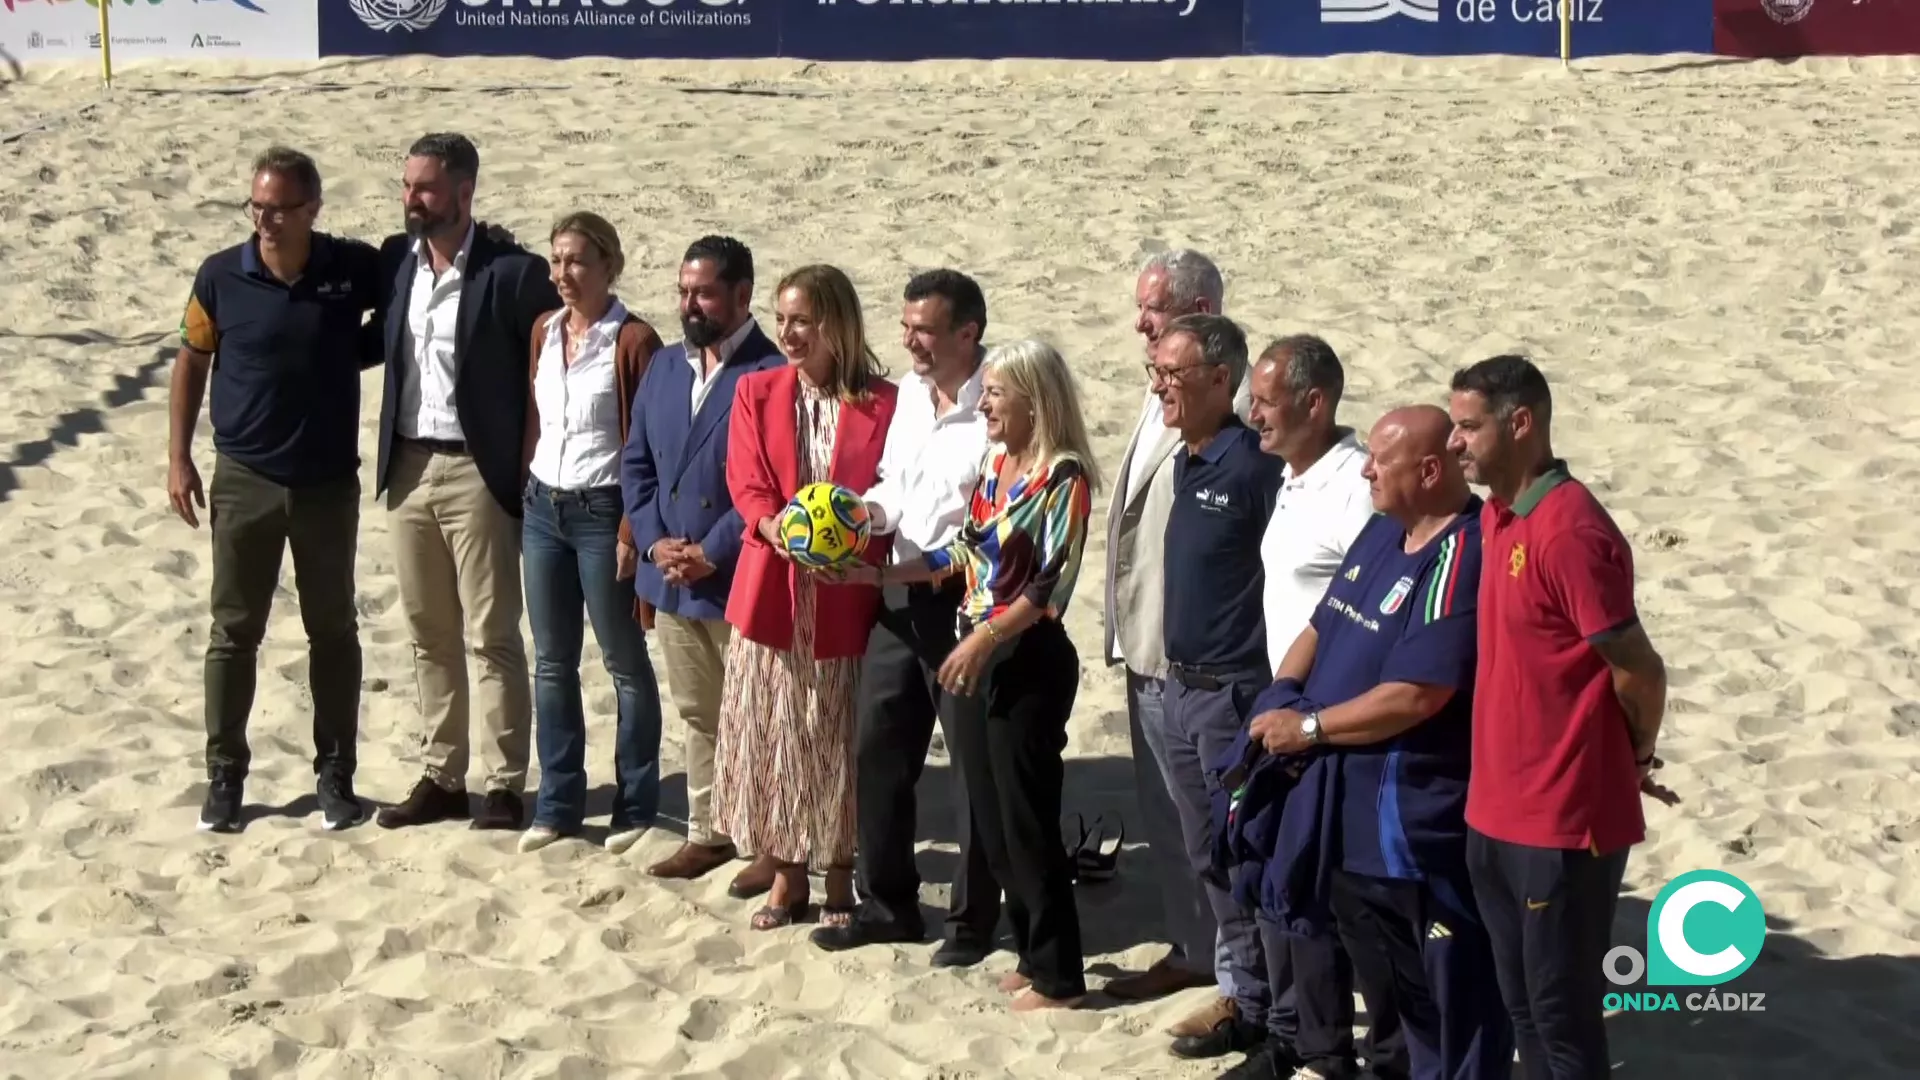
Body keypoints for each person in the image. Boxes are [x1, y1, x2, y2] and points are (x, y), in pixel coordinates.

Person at [1246, 406, 1511, 1080]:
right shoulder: (1379, 531)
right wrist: (1283, 690)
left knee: (1454, 1002)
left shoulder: (1462, 551)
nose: (1363, 467)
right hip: (1345, 816)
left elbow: (1419, 693)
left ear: (1428, 471)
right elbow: (1320, 622)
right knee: (1392, 993)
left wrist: (1308, 727)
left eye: (1379, 461)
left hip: (1412, 824)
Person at [846, 339, 1099, 1013]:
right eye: (984, 392)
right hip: (982, 647)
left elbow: (1047, 585)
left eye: (995, 394)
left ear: (1033, 401)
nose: (982, 404)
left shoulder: (1064, 477)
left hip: (1027, 657)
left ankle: (1061, 977)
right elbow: (965, 552)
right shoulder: (997, 465)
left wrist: (981, 641)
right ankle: (1029, 950)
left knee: (1028, 818)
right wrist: (877, 573)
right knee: (992, 816)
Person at [1447, 356, 1671, 1080]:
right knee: (1525, 1018)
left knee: (1564, 1022)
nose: (1456, 443)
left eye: (1468, 427)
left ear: (1522, 424)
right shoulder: (1497, 513)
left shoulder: (1572, 531)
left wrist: (1631, 755)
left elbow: (1639, 669)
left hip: (1563, 823)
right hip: (1494, 813)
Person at [167, 146, 382, 833]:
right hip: (243, 480)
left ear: (312, 210)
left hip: (325, 486)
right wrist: (178, 458)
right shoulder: (221, 277)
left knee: (334, 631)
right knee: (234, 633)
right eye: (256, 206)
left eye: (278, 208)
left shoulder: (348, 269)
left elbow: (408, 300)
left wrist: (351, 351)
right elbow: (191, 360)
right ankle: (225, 776)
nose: (264, 220)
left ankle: (335, 775)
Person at [808, 269, 1003, 965]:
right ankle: (888, 905)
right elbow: (894, 484)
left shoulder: (1000, 406)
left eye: (923, 330)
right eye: (907, 326)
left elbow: (984, 536)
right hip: (896, 599)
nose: (909, 341)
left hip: (965, 607)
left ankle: (974, 922)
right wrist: (858, 514)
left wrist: (882, 569)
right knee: (877, 751)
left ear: (966, 333)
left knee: (976, 769)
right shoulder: (913, 398)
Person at [369, 132, 561, 832]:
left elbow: (553, 365)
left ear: (463, 193)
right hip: (408, 466)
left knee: (491, 633)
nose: (410, 199)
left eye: (423, 187)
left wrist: (528, 459)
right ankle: (442, 775)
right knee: (427, 631)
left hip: (478, 470)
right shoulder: (397, 264)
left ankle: (505, 783)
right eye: (407, 185)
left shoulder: (511, 273)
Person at [716, 264, 898, 931]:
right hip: (774, 589)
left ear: (836, 326)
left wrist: (848, 540)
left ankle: (842, 877)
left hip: (846, 592)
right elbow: (748, 482)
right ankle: (789, 876)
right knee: (779, 739)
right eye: (783, 318)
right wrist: (780, 530)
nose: (788, 333)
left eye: (803, 321)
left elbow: (890, 487)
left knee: (839, 737)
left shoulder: (884, 402)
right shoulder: (757, 391)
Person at [1104, 249, 1252, 1036]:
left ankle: (1235, 978)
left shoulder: (1231, 409)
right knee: (1167, 814)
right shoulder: (1159, 389)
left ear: (1198, 311)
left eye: (1153, 311)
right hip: (1147, 641)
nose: (1139, 324)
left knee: (1212, 827)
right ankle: (1195, 949)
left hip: (1199, 656)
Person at [619, 236, 786, 890]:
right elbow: (637, 464)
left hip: (736, 573)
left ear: (742, 296)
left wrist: (710, 552)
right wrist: (657, 541)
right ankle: (708, 832)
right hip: (672, 575)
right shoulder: (664, 365)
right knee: (697, 712)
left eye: (704, 292)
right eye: (684, 291)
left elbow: (768, 484)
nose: (690, 304)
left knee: (757, 715)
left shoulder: (769, 373)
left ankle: (770, 843)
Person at [1146, 313, 1291, 1063]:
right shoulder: (1187, 460)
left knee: (1247, 857)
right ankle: (1246, 994)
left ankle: (1268, 1010)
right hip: (1179, 689)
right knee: (1208, 855)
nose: (1160, 385)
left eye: (1174, 374)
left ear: (1220, 380)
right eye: (1157, 372)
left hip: (1236, 694)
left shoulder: (1254, 465)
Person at [516, 211, 667, 856]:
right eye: (556, 261)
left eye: (577, 260)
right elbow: (537, 420)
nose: (563, 274)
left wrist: (635, 525)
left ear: (609, 264)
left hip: (605, 511)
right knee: (552, 663)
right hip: (543, 507)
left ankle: (636, 804)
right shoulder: (544, 331)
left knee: (624, 662)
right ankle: (558, 804)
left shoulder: (633, 340)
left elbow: (648, 441)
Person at [1248, 336, 1375, 677]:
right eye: (1252, 400)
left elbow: (1376, 612)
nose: (1253, 415)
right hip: (1291, 700)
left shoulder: (1358, 487)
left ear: (1313, 403)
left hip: (1331, 708)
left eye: (1267, 402)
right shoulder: (1291, 475)